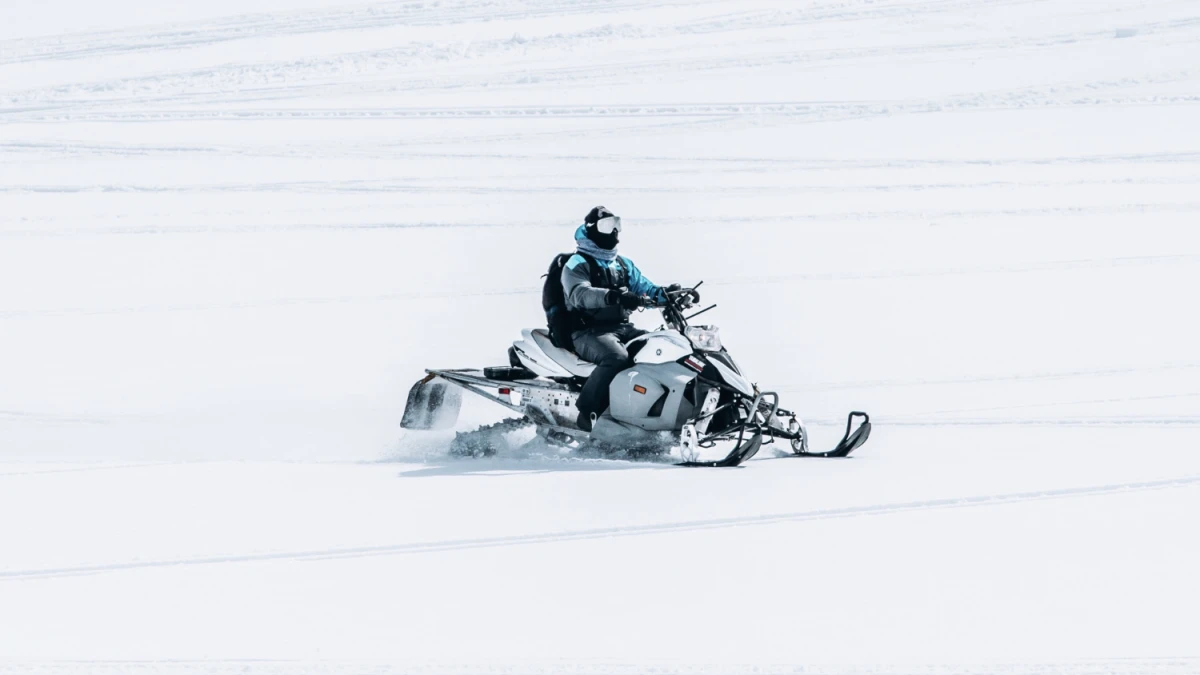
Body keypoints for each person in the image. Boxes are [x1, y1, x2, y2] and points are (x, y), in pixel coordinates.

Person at [561, 206, 697, 431]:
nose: (614, 232)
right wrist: (614, 296)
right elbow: (580, 294)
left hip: (623, 328)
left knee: (661, 348)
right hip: (589, 332)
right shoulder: (577, 264)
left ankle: (647, 414)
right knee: (617, 357)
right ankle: (587, 413)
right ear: (592, 230)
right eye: (607, 226)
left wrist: (670, 294)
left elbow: (646, 288)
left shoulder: (622, 264)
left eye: (617, 225)